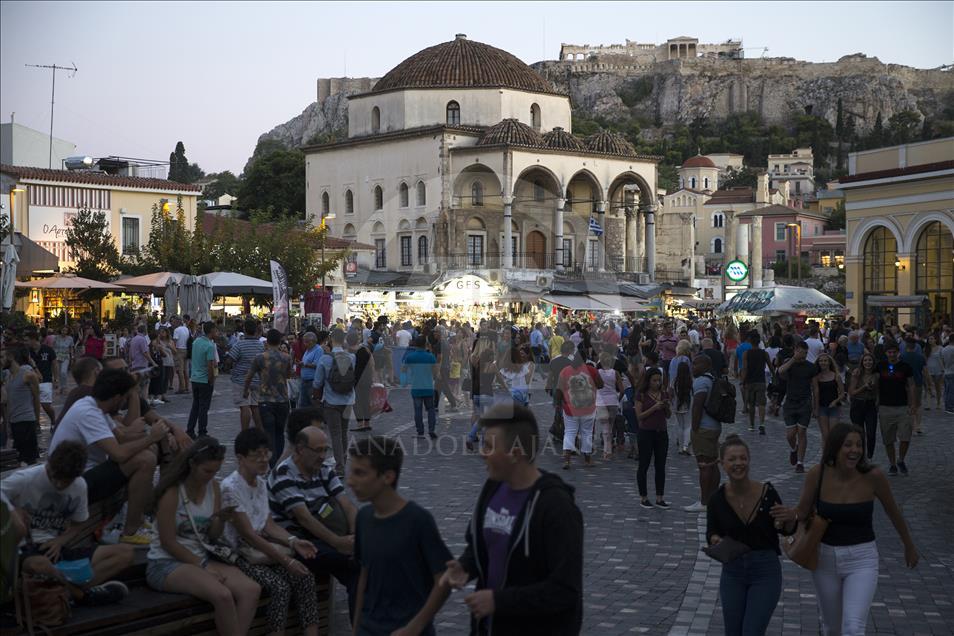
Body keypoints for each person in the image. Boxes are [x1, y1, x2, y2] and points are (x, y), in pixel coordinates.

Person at [441, 403, 584, 636]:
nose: (481, 452)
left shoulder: (557, 508)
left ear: (515, 454)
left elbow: (565, 590)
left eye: (488, 446)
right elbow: (482, 546)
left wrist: (499, 600)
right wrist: (466, 566)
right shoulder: (493, 487)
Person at [773, 423, 919, 636]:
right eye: (848, 445)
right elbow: (802, 511)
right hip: (825, 560)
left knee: (853, 627)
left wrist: (909, 545)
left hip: (862, 559)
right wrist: (790, 514)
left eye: (859, 445)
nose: (855, 450)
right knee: (832, 628)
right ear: (835, 447)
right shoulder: (818, 473)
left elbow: (893, 512)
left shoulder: (873, 476)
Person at [147, 437, 262, 634]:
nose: (211, 477)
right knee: (223, 595)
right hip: (166, 562)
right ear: (192, 464)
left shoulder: (214, 488)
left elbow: (212, 535)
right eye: (207, 471)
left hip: (201, 557)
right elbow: (168, 542)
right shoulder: (173, 492)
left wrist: (221, 520)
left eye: (216, 472)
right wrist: (202, 566)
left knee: (251, 590)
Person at [2, 441, 134, 606]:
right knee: (39, 565)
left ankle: (64, 592)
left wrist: (60, 541)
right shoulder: (26, 479)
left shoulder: (79, 486)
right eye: (55, 477)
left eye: (66, 481)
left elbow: (78, 524)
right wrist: (12, 512)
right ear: (49, 463)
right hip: (26, 551)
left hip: (55, 550)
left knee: (125, 553)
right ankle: (82, 596)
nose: (58, 484)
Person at [49, 368, 168, 544]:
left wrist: (153, 436)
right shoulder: (88, 412)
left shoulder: (94, 406)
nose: (125, 402)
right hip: (73, 482)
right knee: (145, 459)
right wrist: (151, 437)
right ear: (116, 398)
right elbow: (118, 453)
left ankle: (139, 517)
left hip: (86, 475)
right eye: (126, 397)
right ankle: (131, 531)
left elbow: (121, 435)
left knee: (149, 450)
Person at [349, 436, 452, 636]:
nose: (350, 481)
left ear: (387, 477)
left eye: (360, 473)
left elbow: (444, 579)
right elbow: (364, 575)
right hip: (369, 629)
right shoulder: (363, 518)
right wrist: (357, 627)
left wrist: (416, 626)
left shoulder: (417, 520)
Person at [222, 428, 321, 636]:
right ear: (241, 458)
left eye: (266, 453)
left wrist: (294, 542)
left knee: (305, 578)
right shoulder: (230, 488)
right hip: (241, 555)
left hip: (263, 550)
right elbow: (248, 535)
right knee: (279, 588)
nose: (264, 459)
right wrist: (287, 561)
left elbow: (269, 525)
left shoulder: (260, 483)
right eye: (257, 455)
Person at [706, 436, 796, 636]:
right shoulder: (717, 500)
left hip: (765, 571)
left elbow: (785, 528)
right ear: (722, 464)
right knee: (733, 632)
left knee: (752, 632)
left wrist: (789, 519)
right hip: (733, 572)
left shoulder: (768, 493)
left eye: (743, 458)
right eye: (732, 459)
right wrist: (715, 540)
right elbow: (711, 532)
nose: (738, 463)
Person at [269, 425, 359, 620]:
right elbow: (305, 519)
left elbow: (347, 505)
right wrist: (338, 543)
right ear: (300, 450)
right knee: (356, 566)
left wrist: (354, 536)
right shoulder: (283, 474)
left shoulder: (324, 471)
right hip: (299, 544)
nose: (323, 455)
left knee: (362, 571)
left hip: (326, 539)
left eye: (325, 450)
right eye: (318, 450)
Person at [245, 329, 292, 469]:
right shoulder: (286, 358)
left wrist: (245, 390)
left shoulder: (259, 358)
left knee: (269, 433)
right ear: (280, 341)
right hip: (282, 399)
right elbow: (289, 375)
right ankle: (278, 463)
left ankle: (272, 464)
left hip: (265, 399)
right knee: (280, 433)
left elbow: (249, 376)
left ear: (266, 341)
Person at [313, 329, 357, 475]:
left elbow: (317, 382)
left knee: (335, 434)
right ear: (344, 339)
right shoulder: (351, 357)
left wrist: (316, 398)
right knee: (344, 432)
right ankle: (342, 461)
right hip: (348, 399)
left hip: (331, 400)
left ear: (331, 340)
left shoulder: (325, 359)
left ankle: (340, 466)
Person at [685, 355, 721, 512]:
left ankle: (704, 502)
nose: (693, 367)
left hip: (703, 428)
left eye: (696, 364)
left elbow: (697, 406)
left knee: (704, 465)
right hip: (714, 426)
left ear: (705, 365)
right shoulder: (712, 379)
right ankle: (714, 498)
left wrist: (694, 428)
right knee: (713, 464)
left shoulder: (700, 382)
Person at [556, 351, 603, 470]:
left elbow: (559, 390)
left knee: (569, 432)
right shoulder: (591, 370)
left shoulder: (565, 371)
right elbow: (601, 384)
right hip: (588, 408)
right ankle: (587, 460)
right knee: (587, 433)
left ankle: (567, 460)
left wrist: (558, 404)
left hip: (570, 408)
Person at [876, 342, 915, 476]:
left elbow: (911, 385)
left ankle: (901, 459)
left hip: (903, 407)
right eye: (889, 352)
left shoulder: (905, 367)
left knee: (905, 437)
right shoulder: (880, 366)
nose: (891, 354)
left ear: (898, 352)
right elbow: (869, 374)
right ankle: (892, 464)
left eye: (894, 352)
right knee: (888, 439)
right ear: (886, 353)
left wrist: (913, 404)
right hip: (885, 407)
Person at [778, 342, 817, 474]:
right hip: (790, 403)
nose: (803, 355)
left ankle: (800, 463)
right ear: (795, 351)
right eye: (801, 352)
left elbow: (815, 387)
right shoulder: (790, 364)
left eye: (805, 353)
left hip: (805, 403)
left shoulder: (811, 367)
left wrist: (815, 406)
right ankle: (794, 449)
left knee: (801, 432)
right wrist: (794, 359)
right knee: (790, 435)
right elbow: (780, 371)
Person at [634, 368, 670, 509]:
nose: (657, 382)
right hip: (646, 433)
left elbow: (668, 416)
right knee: (644, 465)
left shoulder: (664, 394)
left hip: (662, 433)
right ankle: (643, 497)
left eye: (659, 380)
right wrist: (654, 407)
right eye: (654, 380)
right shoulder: (641, 395)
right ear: (648, 380)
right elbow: (639, 416)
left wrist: (666, 407)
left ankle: (660, 497)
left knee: (660, 466)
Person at [2, 346, 41, 465]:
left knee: (30, 461)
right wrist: (8, 424)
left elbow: (36, 399)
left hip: (26, 421)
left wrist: (37, 422)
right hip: (14, 423)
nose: (0, 360)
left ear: (10, 357)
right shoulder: (8, 377)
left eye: (1, 357)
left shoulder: (27, 375)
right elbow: (8, 403)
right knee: (17, 460)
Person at [228, 319, 265, 432]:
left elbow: (230, 360)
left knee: (244, 407)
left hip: (241, 380)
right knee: (255, 406)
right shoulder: (261, 345)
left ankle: (244, 432)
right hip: (257, 380)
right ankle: (260, 431)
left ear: (244, 330)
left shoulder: (239, 345)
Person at [186, 321, 219, 439]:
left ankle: (190, 430)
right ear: (212, 331)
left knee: (196, 405)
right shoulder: (210, 345)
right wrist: (211, 380)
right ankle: (202, 431)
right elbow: (210, 365)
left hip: (194, 378)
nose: (217, 333)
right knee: (204, 407)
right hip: (204, 379)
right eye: (216, 330)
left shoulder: (196, 341)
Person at [403, 336, 439, 440]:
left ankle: (420, 432)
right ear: (425, 344)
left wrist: (404, 382)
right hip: (428, 386)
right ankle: (431, 430)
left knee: (418, 410)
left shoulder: (410, 357)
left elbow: (404, 370)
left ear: (415, 344)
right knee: (431, 409)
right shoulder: (430, 356)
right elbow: (435, 372)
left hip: (416, 387)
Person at [848, 352, 879, 460]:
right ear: (862, 362)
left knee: (871, 433)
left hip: (870, 405)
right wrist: (864, 387)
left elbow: (879, 391)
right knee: (859, 433)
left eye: (870, 360)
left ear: (873, 362)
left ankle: (869, 454)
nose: (867, 362)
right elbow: (851, 392)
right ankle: (860, 455)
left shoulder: (876, 375)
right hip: (858, 404)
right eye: (865, 360)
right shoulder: (857, 373)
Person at [741, 332, 770, 435]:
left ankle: (752, 425)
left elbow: (745, 368)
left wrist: (742, 381)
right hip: (761, 380)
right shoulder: (764, 353)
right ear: (759, 342)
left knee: (751, 403)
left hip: (750, 381)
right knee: (761, 403)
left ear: (750, 341)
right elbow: (770, 366)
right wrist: (774, 378)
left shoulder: (746, 353)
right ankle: (761, 424)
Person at [595, 352, 623, 459]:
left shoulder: (597, 373)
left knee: (605, 428)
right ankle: (608, 450)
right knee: (610, 428)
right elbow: (622, 390)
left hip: (601, 402)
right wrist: (617, 399)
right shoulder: (615, 373)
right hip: (612, 401)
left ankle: (607, 451)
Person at [900, 338, 927, 435]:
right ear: (915, 346)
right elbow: (925, 371)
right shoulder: (921, 357)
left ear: (906, 345)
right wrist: (928, 384)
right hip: (918, 382)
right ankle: (918, 425)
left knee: (908, 404)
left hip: (906, 384)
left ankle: (911, 426)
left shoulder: (902, 357)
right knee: (918, 404)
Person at [351, 330, 376, 433]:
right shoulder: (365, 349)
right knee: (366, 401)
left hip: (356, 379)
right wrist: (372, 377)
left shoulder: (349, 351)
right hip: (367, 378)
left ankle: (360, 424)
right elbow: (372, 364)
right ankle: (367, 423)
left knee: (356, 402)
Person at [672, 360, 693, 456]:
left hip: (677, 405)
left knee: (680, 426)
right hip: (687, 405)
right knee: (688, 426)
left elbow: (671, 393)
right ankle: (685, 446)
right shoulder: (690, 381)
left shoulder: (675, 381)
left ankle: (680, 447)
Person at [298, 332, 321, 408]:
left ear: (312, 341)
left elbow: (317, 365)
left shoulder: (318, 350)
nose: (304, 344)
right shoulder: (308, 349)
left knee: (312, 404)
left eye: (306, 342)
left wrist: (304, 364)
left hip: (311, 381)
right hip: (304, 381)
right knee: (303, 404)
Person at [52, 326, 75, 397]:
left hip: (66, 357)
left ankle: (64, 387)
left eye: (65, 331)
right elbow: (53, 347)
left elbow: (71, 348)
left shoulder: (70, 338)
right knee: (58, 373)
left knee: (63, 372)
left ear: (68, 331)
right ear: (60, 330)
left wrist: (72, 357)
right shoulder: (56, 337)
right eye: (63, 330)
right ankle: (59, 388)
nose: (64, 332)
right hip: (57, 356)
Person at [172, 316, 191, 393]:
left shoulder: (176, 330)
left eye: (174, 322)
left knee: (180, 370)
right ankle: (187, 386)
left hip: (179, 350)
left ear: (177, 322)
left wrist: (173, 350)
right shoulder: (186, 329)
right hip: (186, 350)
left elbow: (175, 341)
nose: (172, 323)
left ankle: (181, 388)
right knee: (185, 370)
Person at [942, 335, 954, 414]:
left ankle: (947, 406)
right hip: (952, 372)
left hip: (946, 371)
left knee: (947, 390)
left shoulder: (944, 349)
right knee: (951, 391)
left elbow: (942, 361)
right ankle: (950, 407)